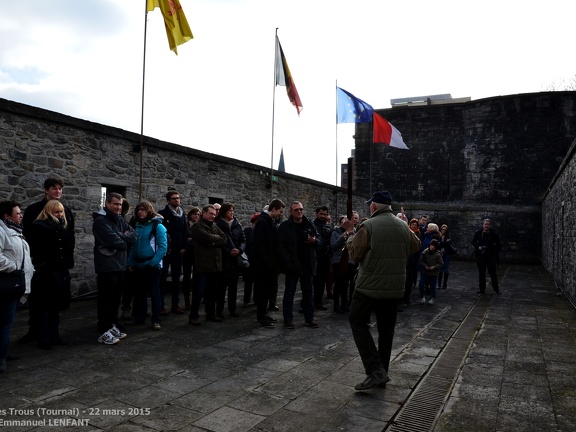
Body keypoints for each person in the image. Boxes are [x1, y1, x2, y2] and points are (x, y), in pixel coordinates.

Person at [343, 191, 421, 391]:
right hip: (394, 288)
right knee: (386, 331)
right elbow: (415, 246)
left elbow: (355, 255)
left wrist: (351, 233)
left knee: (357, 321)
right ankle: (382, 373)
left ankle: (375, 370)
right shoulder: (403, 226)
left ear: (374, 207)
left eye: (370, 204)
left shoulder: (368, 226)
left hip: (369, 286)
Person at [20, 177, 75, 345]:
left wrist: (67, 259)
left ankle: (52, 333)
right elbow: (29, 237)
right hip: (42, 264)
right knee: (39, 301)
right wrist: (36, 260)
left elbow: (69, 236)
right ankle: (35, 331)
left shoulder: (65, 210)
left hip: (59, 265)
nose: (57, 191)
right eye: (54, 188)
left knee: (55, 302)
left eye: (60, 189)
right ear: (46, 190)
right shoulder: (34, 210)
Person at [93, 192, 137, 345]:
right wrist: (122, 239)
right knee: (106, 300)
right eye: (115, 204)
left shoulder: (120, 219)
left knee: (115, 300)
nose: (118, 207)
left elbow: (134, 236)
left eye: (120, 204)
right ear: (107, 204)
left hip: (120, 266)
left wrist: (120, 238)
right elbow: (114, 241)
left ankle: (111, 325)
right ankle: (103, 330)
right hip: (107, 267)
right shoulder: (100, 221)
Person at [0, 201, 33, 373]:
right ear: (7, 215)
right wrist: (14, 267)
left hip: (15, 284)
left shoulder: (15, 231)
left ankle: (3, 351)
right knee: (4, 322)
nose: (21, 215)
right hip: (5, 284)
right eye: (18, 213)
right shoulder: (1, 231)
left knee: (8, 321)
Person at [277, 201, 321, 329]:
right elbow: (280, 246)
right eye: (296, 210)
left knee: (308, 292)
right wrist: (288, 262)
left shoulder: (309, 224)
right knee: (289, 292)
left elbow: (319, 240)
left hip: (307, 264)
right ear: (291, 212)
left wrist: (315, 241)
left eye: (301, 209)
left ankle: (309, 318)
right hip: (292, 265)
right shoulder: (285, 226)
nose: (299, 212)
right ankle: (288, 320)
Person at [127, 201, 168, 330]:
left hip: (152, 266)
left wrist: (152, 263)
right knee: (139, 293)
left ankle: (156, 320)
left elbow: (162, 248)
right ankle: (139, 318)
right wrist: (130, 262)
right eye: (138, 210)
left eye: (143, 209)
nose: (140, 212)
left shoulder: (158, 226)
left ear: (149, 211)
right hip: (138, 265)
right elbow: (133, 246)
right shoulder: (138, 226)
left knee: (154, 293)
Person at [188, 205, 226, 325]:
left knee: (212, 292)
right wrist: (215, 240)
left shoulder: (214, 226)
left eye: (214, 214)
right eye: (210, 213)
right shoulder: (197, 227)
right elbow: (206, 238)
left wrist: (213, 241)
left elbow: (224, 239)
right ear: (203, 213)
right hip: (203, 265)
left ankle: (210, 314)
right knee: (199, 292)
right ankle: (193, 316)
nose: (212, 216)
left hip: (215, 265)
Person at [251, 200, 285, 328]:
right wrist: (267, 262)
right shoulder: (263, 221)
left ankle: (264, 314)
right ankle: (261, 316)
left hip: (267, 263)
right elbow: (260, 244)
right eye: (280, 211)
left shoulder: (267, 220)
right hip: (263, 265)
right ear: (274, 209)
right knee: (262, 291)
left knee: (266, 291)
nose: (280, 214)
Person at [158, 190, 188, 315]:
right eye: (174, 198)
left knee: (176, 279)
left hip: (178, 251)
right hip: (165, 252)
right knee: (162, 279)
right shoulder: (162, 214)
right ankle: (161, 305)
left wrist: (184, 246)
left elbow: (185, 232)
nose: (177, 200)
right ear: (168, 200)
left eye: (178, 198)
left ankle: (175, 304)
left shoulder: (182, 214)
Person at [215, 203, 246, 318]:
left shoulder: (237, 224)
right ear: (224, 212)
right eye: (230, 211)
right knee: (221, 288)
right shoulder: (218, 225)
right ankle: (219, 311)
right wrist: (229, 251)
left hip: (235, 260)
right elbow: (218, 242)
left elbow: (243, 239)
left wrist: (239, 249)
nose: (232, 213)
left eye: (233, 211)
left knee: (234, 287)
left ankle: (232, 309)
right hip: (224, 260)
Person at [330, 215, 355, 313]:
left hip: (349, 261)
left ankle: (344, 304)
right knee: (338, 284)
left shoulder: (353, 232)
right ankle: (336, 305)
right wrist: (343, 235)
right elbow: (334, 246)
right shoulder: (335, 233)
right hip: (338, 261)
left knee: (346, 284)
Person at [471, 218, 502, 294]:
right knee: (481, 273)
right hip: (480, 256)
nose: (486, 226)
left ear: (490, 225)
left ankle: (496, 289)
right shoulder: (478, 233)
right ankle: (482, 289)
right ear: (483, 225)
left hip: (490, 256)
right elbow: (473, 242)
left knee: (492, 273)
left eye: (488, 224)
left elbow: (499, 245)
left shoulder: (494, 234)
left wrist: (494, 252)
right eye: (485, 224)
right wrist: (478, 247)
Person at [312, 206, 333, 311]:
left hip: (325, 257)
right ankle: (311, 302)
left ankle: (318, 302)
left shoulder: (328, 227)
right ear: (317, 213)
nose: (323, 216)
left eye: (325, 214)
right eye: (321, 214)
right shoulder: (312, 225)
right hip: (315, 257)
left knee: (321, 281)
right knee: (314, 281)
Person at [182, 207, 200, 310]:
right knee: (186, 277)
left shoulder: (199, 226)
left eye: (198, 214)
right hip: (187, 253)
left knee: (197, 277)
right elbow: (185, 237)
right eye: (194, 214)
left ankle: (195, 300)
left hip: (197, 254)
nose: (196, 216)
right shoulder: (186, 225)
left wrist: (192, 239)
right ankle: (187, 300)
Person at [400, 218, 421, 306]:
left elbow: (418, 246)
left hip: (411, 261)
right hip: (404, 260)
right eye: (412, 224)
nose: (414, 226)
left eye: (415, 225)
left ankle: (406, 298)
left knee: (409, 281)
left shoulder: (417, 234)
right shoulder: (404, 233)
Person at [418, 239, 444, 305]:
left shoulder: (438, 254)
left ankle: (432, 298)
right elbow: (421, 261)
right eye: (431, 245)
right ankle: (422, 297)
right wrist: (425, 266)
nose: (432, 247)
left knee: (433, 287)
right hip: (425, 272)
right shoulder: (425, 252)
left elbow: (441, 263)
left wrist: (434, 267)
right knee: (421, 284)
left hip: (433, 273)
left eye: (434, 246)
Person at [242, 213, 260, 307]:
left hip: (257, 260)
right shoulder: (247, 231)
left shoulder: (260, 232)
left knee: (257, 282)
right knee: (248, 282)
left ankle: (256, 300)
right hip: (249, 259)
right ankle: (246, 300)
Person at [438, 224, 455, 289]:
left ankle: (444, 284)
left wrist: (441, 243)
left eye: (445, 230)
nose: (443, 231)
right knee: (440, 269)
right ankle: (439, 284)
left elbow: (447, 244)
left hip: (447, 254)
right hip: (440, 254)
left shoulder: (448, 237)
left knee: (446, 269)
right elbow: (437, 244)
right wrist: (443, 243)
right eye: (443, 229)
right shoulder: (439, 236)